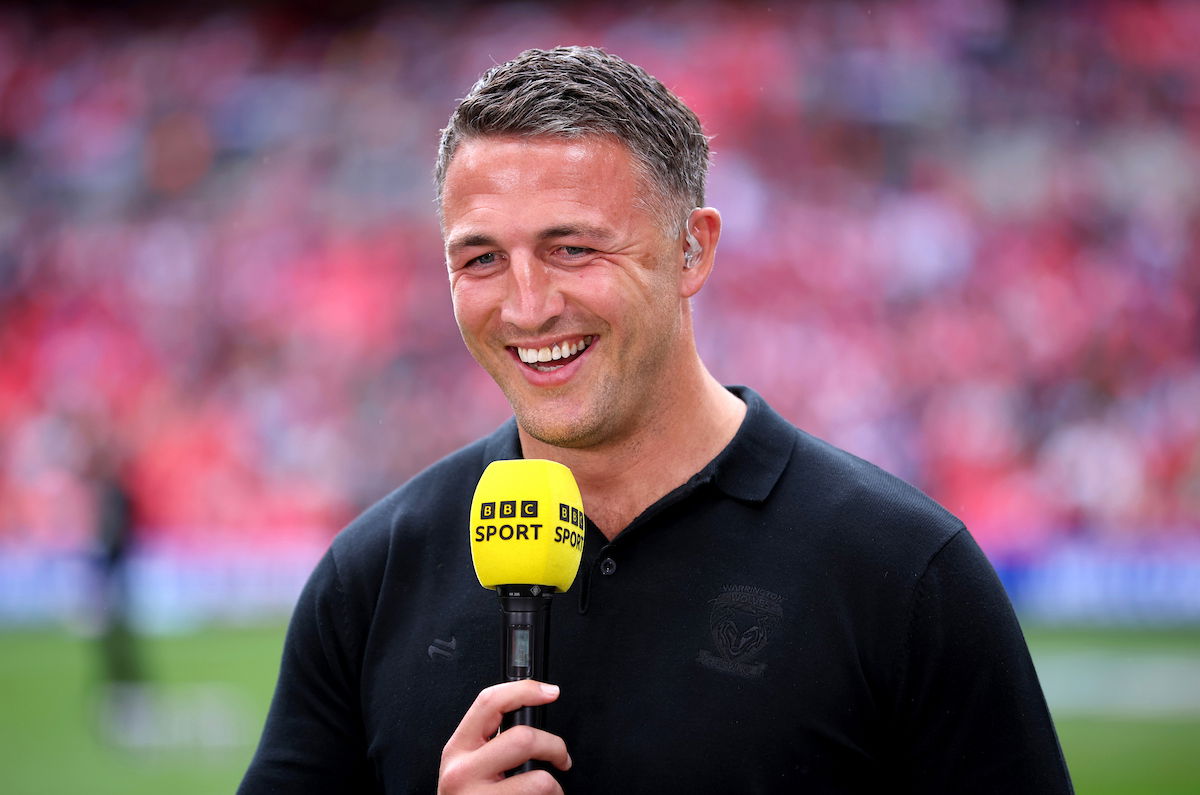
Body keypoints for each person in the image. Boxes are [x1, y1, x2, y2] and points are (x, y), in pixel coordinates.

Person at [240, 46, 1073, 794]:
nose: (527, 306)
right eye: (483, 258)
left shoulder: (907, 571)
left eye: (573, 248)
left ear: (692, 250)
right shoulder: (370, 576)